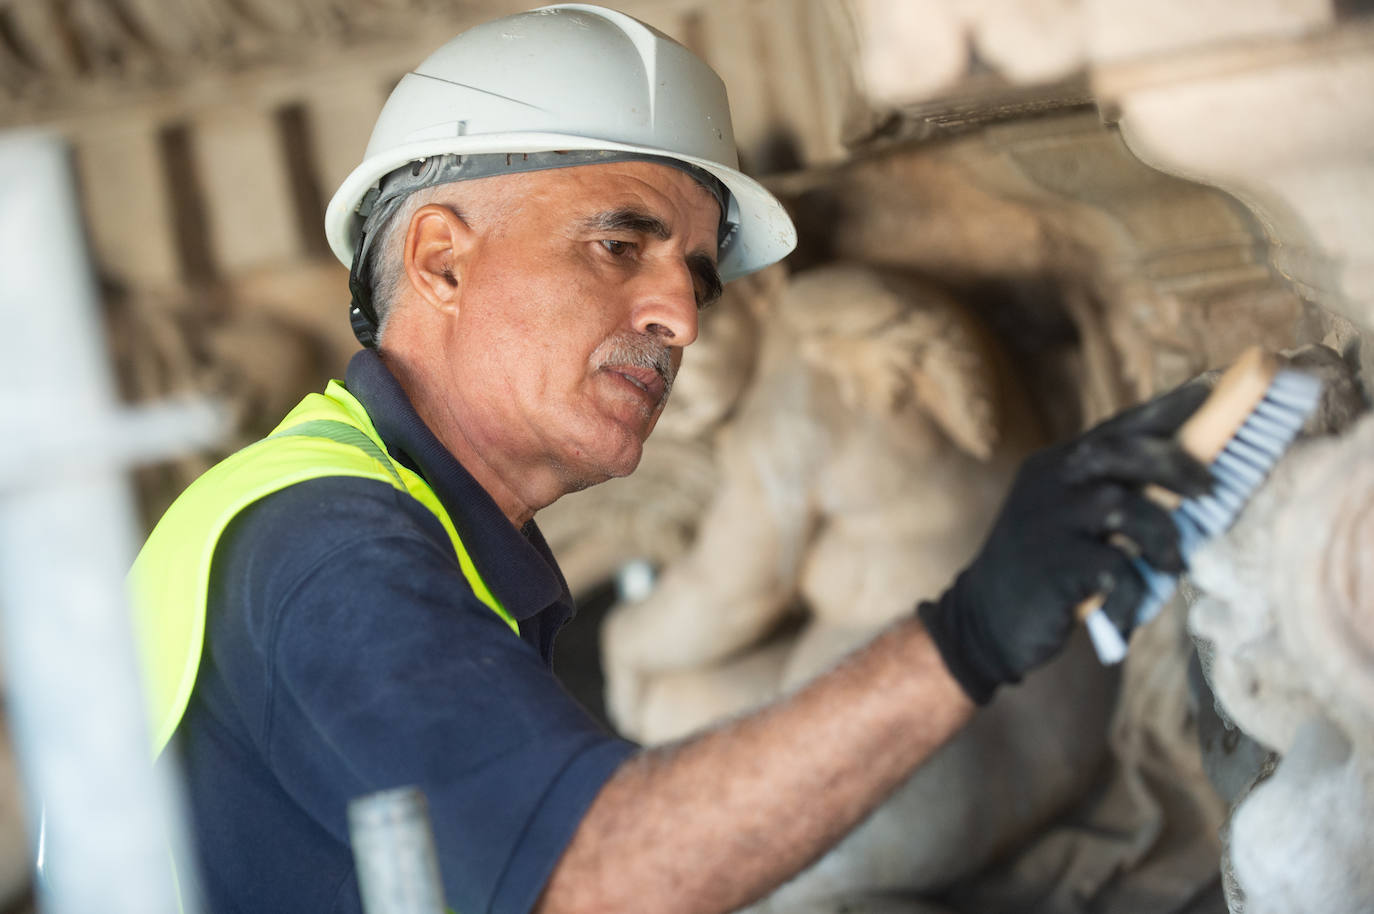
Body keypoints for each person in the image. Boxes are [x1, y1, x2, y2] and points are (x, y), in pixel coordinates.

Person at [129, 5, 1212, 913]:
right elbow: (596, 875)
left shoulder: (377, 517)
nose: (681, 316)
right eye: (619, 245)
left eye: (697, 273)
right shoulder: (330, 549)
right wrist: (970, 631)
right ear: (441, 260)